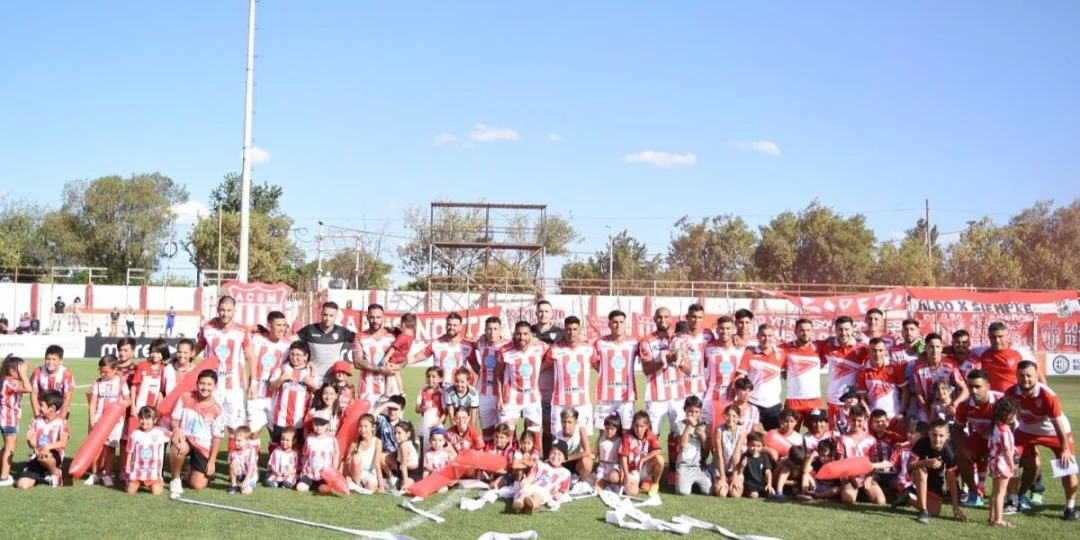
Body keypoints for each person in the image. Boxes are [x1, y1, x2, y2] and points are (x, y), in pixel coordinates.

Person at [1007, 361, 1076, 520]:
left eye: (1029, 375)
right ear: (1016, 376)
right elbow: (1006, 418)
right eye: (1021, 375)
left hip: (1054, 432)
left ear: (1037, 376)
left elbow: (1057, 423)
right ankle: (1013, 501)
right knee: (1011, 459)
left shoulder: (1047, 395)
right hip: (1026, 430)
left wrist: (1065, 449)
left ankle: (1070, 507)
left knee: (1066, 467)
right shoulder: (1010, 393)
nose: (1025, 379)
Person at [194, 296, 251, 447]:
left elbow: (251, 357)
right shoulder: (207, 328)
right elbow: (197, 348)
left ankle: (235, 458)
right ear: (217, 309)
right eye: (222, 310)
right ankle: (203, 456)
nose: (225, 314)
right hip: (212, 385)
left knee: (235, 426)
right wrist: (184, 360)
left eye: (229, 310)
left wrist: (255, 382)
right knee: (208, 421)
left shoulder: (242, 330)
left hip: (234, 386)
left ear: (234, 310)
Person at [640, 308, 688, 479]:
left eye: (666, 317)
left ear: (671, 319)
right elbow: (646, 369)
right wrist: (665, 360)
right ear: (654, 319)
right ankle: (648, 473)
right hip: (656, 396)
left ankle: (674, 470)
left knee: (679, 433)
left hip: (678, 395)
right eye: (659, 317)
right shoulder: (646, 341)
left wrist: (679, 360)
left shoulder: (678, 339)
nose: (663, 320)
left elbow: (688, 369)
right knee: (652, 434)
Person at [169, 370, 225, 495]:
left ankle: (190, 471)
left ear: (215, 386)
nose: (205, 387)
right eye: (202, 383)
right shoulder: (184, 397)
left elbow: (217, 437)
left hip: (202, 446)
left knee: (198, 485)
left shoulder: (218, 409)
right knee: (179, 446)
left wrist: (212, 462)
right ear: (197, 383)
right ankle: (175, 479)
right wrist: (176, 430)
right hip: (185, 439)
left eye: (209, 384)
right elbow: (174, 420)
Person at [494, 321, 548, 450]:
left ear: (530, 335)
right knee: (507, 432)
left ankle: (534, 459)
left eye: (525, 334)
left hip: (532, 397)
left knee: (534, 433)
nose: (522, 337)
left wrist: (539, 368)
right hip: (511, 396)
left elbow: (553, 354)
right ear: (514, 334)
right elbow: (498, 373)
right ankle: (510, 457)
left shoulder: (540, 346)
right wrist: (500, 396)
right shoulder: (504, 350)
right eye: (518, 334)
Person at [542, 316, 595, 442]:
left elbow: (601, 369)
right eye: (569, 329)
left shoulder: (588, 349)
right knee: (558, 437)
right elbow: (541, 367)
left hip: (582, 402)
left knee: (583, 436)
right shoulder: (555, 349)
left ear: (580, 330)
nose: (572, 332)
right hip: (560, 401)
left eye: (575, 329)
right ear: (564, 330)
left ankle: (581, 455)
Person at [909, 419, 967, 524]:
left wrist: (955, 507)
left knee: (935, 511)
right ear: (929, 433)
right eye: (934, 435)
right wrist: (926, 462)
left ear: (947, 436)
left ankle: (907, 497)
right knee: (922, 472)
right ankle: (923, 512)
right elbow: (910, 465)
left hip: (935, 478)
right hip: (916, 475)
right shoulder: (921, 443)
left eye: (941, 436)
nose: (937, 439)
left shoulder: (949, 452)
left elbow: (951, 479)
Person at [954, 369, 997, 508]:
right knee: (961, 455)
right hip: (981, 438)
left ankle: (1015, 496)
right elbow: (958, 428)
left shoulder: (1000, 401)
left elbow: (1013, 428)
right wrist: (962, 449)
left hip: (1002, 441)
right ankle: (974, 493)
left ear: (988, 386)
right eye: (970, 386)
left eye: (977, 386)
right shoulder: (964, 406)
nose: (973, 390)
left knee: (1024, 459)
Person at [86, 354, 131, 487]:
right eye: (101, 371)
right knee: (96, 448)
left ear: (115, 370)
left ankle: (107, 474)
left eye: (106, 372)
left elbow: (128, 400)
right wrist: (92, 421)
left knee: (110, 448)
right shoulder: (97, 383)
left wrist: (122, 403)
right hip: (99, 419)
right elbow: (92, 403)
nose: (103, 374)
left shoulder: (121, 383)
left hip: (115, 422)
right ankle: (94, 474)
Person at [247, 311, 292, 442]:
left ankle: (274, 456)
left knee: (276, 435)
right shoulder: (257, 338)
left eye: (284, 325)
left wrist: (311, 363)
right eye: (278, 325)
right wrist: (252, 327)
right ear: (269, 326)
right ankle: (251, 456)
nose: (282, 328)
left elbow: (301, 356)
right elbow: (239, 331)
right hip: (255, 394)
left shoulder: (288, 345)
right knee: (254, 433)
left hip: (276, 397)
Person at [734, 324, 787, 431]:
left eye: (769, 335)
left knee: (774, 437)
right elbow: (740, 377)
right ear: (757, 336)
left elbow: (786, 373)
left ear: (774, 336)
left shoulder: (781, 353)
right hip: (752, 402)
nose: (766, 338)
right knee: (749, 436)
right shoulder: (749, 353)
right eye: (763, 335)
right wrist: (737, 397)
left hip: (773, 404)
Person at [593, 310, 640, 430]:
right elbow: (592, 360)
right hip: (605, 395)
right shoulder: (600, 343)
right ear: (609, 324)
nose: (618, 325)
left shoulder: (634, 342)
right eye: (615, 322)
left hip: (626, 397)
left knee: (627, 430)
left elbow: (646, 359)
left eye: (621, 322)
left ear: (625, 324)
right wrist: (603, 371)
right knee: (604, 430)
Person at [269, 341, 319, 451]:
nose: (294, 358)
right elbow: (272, 387)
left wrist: (310, 384)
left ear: (306, 356)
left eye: (298, 355)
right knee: (279, 447)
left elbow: (319, 394)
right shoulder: (282, 368)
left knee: (298, 449)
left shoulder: (310, 372)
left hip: (300, 420)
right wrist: (282, 378)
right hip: (281, 418)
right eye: (292, 354)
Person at [820, 316, 868, 430]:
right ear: (835, 330)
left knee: (856, 434)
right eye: (840, 329)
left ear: (853, 329)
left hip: (854, 402)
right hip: (834, 401)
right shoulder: (827, 347)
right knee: (835, 435)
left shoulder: (863, 349)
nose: (843, 333)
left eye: (847, 329)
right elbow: (817, 365)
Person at [15, 390, 69, 490]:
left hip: (53, 456)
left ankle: (55, 473)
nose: (38, 407)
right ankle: (42, 474)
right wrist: (30, 441)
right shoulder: (36, 420)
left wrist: (47, 447)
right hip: (38, 456)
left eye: (41, 405)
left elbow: (63, 443)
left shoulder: (62, 422)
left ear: (52, 408)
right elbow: (33, 445)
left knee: (45, 455)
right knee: (21, 485)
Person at [532, 300, 566, 455]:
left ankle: (547, 457)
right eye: (540, 311)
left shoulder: (560, 334)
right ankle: (529, 458)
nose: (543, 314)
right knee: (530, 425)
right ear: (536, 313)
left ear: (552, 314)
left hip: (550, 385)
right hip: (530, 386)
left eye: (546, 311)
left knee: (547, 426)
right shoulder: (528, 331)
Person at [911, 333, 969, 422]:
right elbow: (919, 394)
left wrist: (954, 404)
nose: (935, 350)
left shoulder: (950, 365)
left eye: (937, 347)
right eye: (931, 347)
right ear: (926, 348)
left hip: (946, 407)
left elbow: (965, 390)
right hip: (927, 408)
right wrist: (929, 414)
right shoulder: (918, 368)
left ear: (941, 348)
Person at [352, 304, 399, 409]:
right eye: (372, 317)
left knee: (391, 419)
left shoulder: (392, 336)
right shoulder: (360, 337)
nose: (375, 320)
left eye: (378, 317)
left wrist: (398, 366)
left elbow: (404, 358)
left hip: (391, 388)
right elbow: (357, 362)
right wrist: (381, 369)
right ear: (367, 317)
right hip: (368, 389)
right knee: (367, 418)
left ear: (383, 317)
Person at [837, 405, 887, 505]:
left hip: (866, 476)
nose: (856, 423)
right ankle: (852, 492)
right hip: (849, 477)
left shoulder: (871, 440)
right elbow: (840, 462)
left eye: (859, 420)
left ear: (865, 420)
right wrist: (852, 478)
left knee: (880, 501)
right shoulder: (843, 438)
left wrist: (868, 479)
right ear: (848, 419)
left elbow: (873, 463)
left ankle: (864, 492)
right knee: (848, 500)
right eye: (853, 420)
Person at [295, 301, 356, 383]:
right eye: (325, 315)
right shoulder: (310, 330)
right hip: (313, 377)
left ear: (336, 316)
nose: (328, 319)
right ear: (321, 314)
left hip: (333, 379)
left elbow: (360, 340)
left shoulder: (342, 332)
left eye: (331, 316)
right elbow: (289, 341)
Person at [471, 316, 508, 445]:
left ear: (500, 330)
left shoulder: (508, 345)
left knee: (505, 432)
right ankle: (488, 456)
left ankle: (506, 456)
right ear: (485, 330)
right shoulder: (481, 343)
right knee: (487, 432)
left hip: (502, 395)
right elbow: (468, 343)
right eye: (489, 329)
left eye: (495, 329)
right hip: (484, 394)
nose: (492, 332)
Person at [783, 318, 825, 429]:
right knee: (790, 434)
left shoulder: (819, 347)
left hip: (814, 401)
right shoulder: (785, 348)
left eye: (808, 330)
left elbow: (837, 340)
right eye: (801, 330)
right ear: (795, 331)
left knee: (816, 434)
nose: (805, 333)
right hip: (793, 400)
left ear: (812, 331)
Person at [512, 440, 573, 514]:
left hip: (546, 490)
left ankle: (531, 505)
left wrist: (558, 494)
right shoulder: (540, 464)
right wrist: (526, 481)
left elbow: (563, 490)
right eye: (553, 453)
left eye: (559, 454)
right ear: (549, 453)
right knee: (525, 491)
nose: (555, 456)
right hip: (534, 485)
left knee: (538, 496)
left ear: (565, 458)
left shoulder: (565, 473)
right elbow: (532, 475)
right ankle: (519, 502)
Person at [703, 315, 743, 426]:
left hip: (731, 399)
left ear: (733, 329)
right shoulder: (708, 347)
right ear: (716, 329)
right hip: (710, 398)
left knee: (729, 431)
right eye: (721, 328)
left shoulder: (740, 349)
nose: (724, 331)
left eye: (728, 328)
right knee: (707, 431)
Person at [0, 355, 33, 487]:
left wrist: (22, 366)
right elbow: (29, 388)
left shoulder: (4, 380)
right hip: (9, 419)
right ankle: (4, 477)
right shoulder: (11, 383)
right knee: (10, 448)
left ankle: (2, 471)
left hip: (4, 418)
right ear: (13, 371)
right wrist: (23, 373)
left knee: (6, 447)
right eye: (19, 369)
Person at [988, 397, 1020, 528]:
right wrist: (1012, 466)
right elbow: (1006, 450)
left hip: (994, 462)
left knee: (995, 493)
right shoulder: (1004, 430)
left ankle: (991, 517)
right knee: (1001, 493)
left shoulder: (995, 426)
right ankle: (998, 520)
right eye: (1013, 413)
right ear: (1006, 413)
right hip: (1002, 463)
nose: (1015, 416)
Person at [125, 406, 171, 495]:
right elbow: (129, 450)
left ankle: (157, 482)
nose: (144, 421)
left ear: (154, 420)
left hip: (153, 471)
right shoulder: (135, 434)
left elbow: (173, 436)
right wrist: (127, 465)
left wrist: (179, 438)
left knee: (157, 493)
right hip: (138, 470)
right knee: (130, 492)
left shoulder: (160, 432)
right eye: (142, 418)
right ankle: (130, 482)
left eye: (147, 419)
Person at [856, 338, 905, 421]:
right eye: (874, 350)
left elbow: (905, 390)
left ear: (885, 351)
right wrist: (869, 414)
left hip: (894, 416)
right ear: (869, 351)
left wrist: (901, 412)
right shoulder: (862, 371)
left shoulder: (894, 366)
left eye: (880, 350)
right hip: (874, 417)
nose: (877, 354)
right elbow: (861, 397)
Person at [620, 410, 664, 497]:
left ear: (647, 426)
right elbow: (623, 457)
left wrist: (643, 459)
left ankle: (654, 484)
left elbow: (658, 450)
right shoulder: (627, 436)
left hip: (643, 469)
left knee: (660, 459)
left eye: (641, 426)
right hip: (631, 471)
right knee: (632, 493)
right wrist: (626, 476)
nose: (639, 429)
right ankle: (636, 483)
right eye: (636, 426)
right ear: (632, 424)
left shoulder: (650, 434)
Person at [675, 395, 711, 496]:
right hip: (684, 466)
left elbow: (707, 453)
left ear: (700, 411)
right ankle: (686, 482)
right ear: (685, 410)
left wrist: (703, 437)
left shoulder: (704, 426)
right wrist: (689, 425)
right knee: (683, 492)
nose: (693, 415)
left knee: (709, 491)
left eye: (696, 412)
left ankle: (694, 483)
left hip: (699, 467)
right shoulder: (680, 424)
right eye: (690, 411)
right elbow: (682, 445)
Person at [297, 415, 340, 493]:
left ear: (327, 425)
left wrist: (334, 472)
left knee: (324, 490)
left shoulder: (332, 439)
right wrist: (303, 470)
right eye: (316, 424)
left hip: (325, 474)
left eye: (322, 424)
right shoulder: (309, 438)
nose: (319, 427)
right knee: (300, 488)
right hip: (310, 473)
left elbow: (335, 456)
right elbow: (305, 456)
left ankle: (319, 485)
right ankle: (312, 484)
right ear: (313, 424)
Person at [30, 345, 75, 419]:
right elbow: (34, 394)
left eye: (54, 359)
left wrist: (62, 417)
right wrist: (37, 415)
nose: (50, 362)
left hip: (60, 410)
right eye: (48, 359)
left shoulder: (66, 374)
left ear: (61, 361)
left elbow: (67, 397)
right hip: (42, 410)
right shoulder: (37, 372)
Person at [712, 403, 747, 498]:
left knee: (735, 494)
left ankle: (732, 480)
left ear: (739, 417)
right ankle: (722, 481)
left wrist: (735, 477)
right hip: (720, 468)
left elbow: (736, 454)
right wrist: (722, 477)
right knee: (722, 493)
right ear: (724, 416)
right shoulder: (719, 430)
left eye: (734, 416)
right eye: (728, 415)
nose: (731, 419)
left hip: (734, 468)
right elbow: (719, 455)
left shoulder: (742, 431)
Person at [681, 304, 714, 402]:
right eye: (693, 317)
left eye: (700, 317)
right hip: (681, 386)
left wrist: (736, 337)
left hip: (700, 386)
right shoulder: (680, 334)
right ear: (687, 317)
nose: (696, 320)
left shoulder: (707, 334)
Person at [347, 414, 384, 493]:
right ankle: (357, 484)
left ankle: (358, 487)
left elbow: (377, 464)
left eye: (366, 426)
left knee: (371, 486)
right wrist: (347, 477)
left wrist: (381, 486)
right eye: (360, 426)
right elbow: (347, 462)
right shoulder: (355, 442)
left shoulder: (377, 442)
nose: (363, 429)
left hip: (369, 472)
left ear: (373, 427)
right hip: (355, 473)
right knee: (356, 458)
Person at [557, 407, 593, 481]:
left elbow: (587, 452)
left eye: (569, 422)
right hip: (563, 463)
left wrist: (568, 458)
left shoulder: (580, 430)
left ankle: (580, 482)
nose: (566, 425)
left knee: (587, 461)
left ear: (576, 422)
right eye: (564, 422)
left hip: (576, 462)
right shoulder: (557, 435)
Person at [738, 432, 774, 499]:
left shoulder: (764, 457)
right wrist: (742, 466)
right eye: (752, 445)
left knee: (771, 494)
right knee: (754, 495)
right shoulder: (745, 457)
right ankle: (749, 493)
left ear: (762, 446)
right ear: (747, 445)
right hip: (750, 484)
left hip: (761, 483)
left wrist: (769, 484)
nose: (755, 448)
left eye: (758, 446)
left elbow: (768, 472)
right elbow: (740, 473)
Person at [227, 425, 259, 494]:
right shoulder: (233, 451)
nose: (236, 443)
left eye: (239, 441)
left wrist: (246, 480)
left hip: (250, 476)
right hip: (240, 474)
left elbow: (251, 467)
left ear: (247, 441)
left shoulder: (251, 450)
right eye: (235, 440)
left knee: (245, 492)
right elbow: (230, 465)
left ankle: (246, 485)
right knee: (234, 462)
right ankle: (234, 486)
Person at [594, 415, 622, 491]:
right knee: (597, 488)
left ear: (617, 429)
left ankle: (613, 482)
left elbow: (622, 459)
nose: (609, 431)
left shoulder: (619, 441)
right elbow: (594, 454)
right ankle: (606, 482)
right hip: (602, 468)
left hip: (614, 467)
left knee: (613, 478)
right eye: (607, 428)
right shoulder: (601, 439)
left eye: (612, 429)